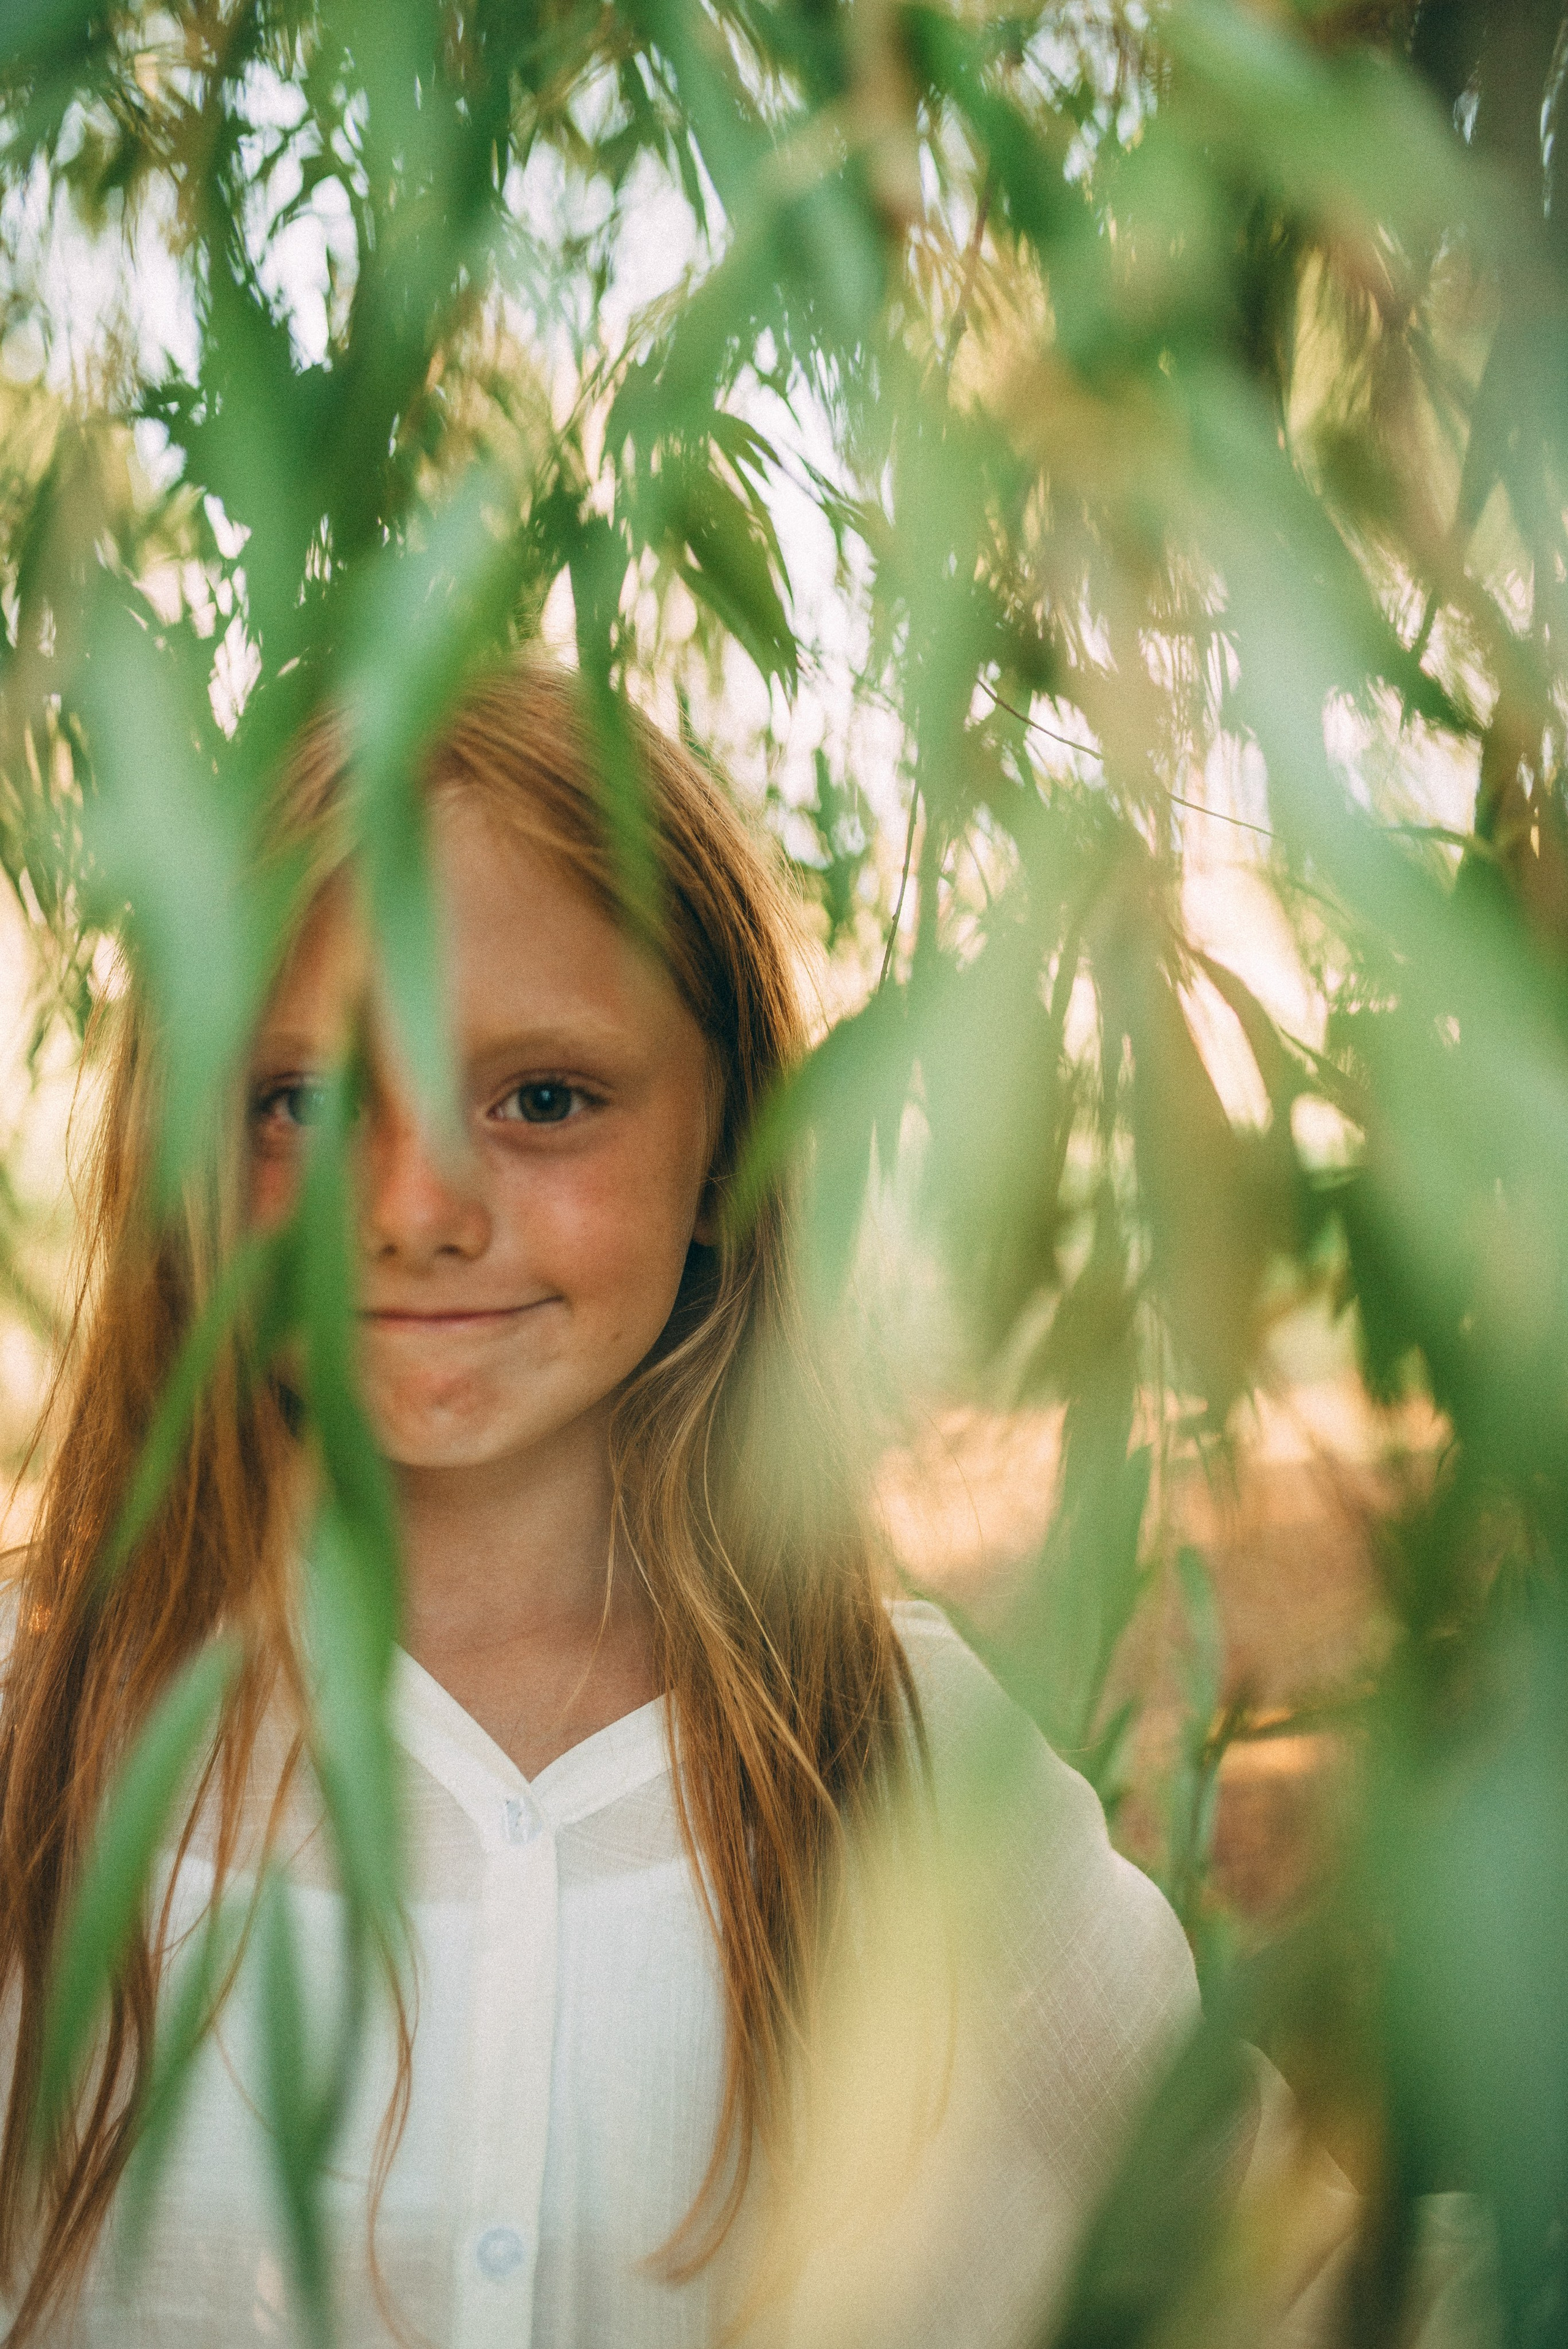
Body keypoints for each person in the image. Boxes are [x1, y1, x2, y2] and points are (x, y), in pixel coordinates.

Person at [0, 657, 1206, 2348]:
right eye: (308, 1100)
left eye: (544, 1098)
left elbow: (1240, 2253)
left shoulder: (904, 1758)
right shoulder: (39, 1736)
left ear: (729, 1151)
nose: (417, 1210)